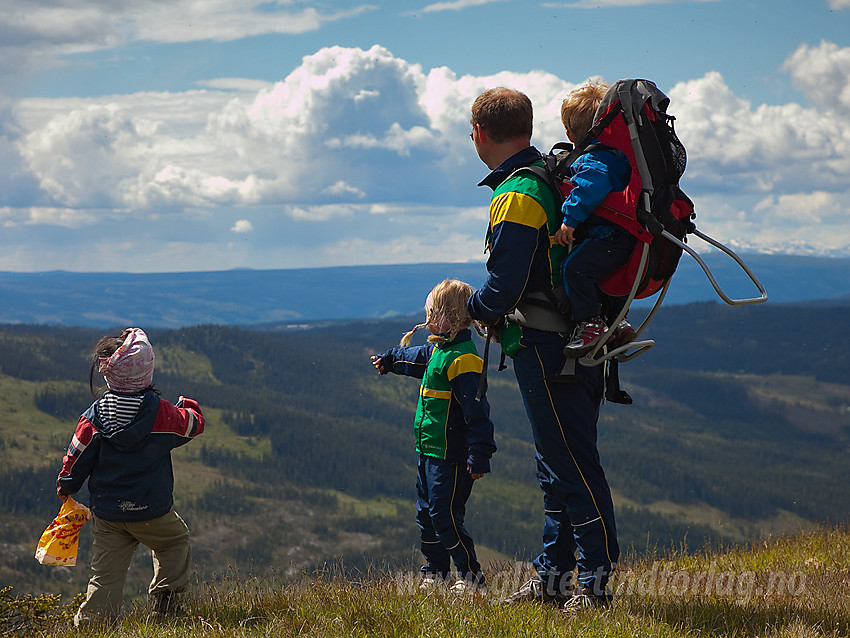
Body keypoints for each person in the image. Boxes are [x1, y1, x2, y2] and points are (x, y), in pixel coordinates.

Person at [466, 87, 619, 612]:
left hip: (546, 344)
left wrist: (476, 311)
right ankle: (553, 580)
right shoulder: (554, 177)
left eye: (472, 131)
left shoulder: (518, 193)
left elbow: (505, 282)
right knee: (559, 463)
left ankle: (595, 589)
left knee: (569, 466)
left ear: (481, 133)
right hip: (576, 340)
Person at [55, 328, 205, 625]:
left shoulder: (93, 418)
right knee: (174, 542)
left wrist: (66, 487)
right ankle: (166, 610)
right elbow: (193, 426)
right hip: (152, 510)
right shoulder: (163, 415)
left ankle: (92, 625)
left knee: (105, 574)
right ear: (146, 371)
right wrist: (190, 406)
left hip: (108, 513)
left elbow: (75, 459)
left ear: (108, 375)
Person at [371, 279, 496, 594]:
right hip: (429, 453)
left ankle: (471, 579)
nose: (426, 320)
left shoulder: (463, 359)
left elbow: (477, 412)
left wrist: (480, 453)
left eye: (431, 314)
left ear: (448, 318)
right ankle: (435, 573)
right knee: (426, 514)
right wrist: (390, 360)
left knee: (445, 514)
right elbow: (413, 357)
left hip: (451, 457)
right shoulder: (438, 351)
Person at [554, 82, 636, 354]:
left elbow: (590, 186)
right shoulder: (620, 157)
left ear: (569, 132)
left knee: (574, 269)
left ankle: (590, 324)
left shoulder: (592, 161)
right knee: (602, 275)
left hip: (608, 236)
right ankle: (617, 321)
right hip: (628, 236)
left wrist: (569, 220)